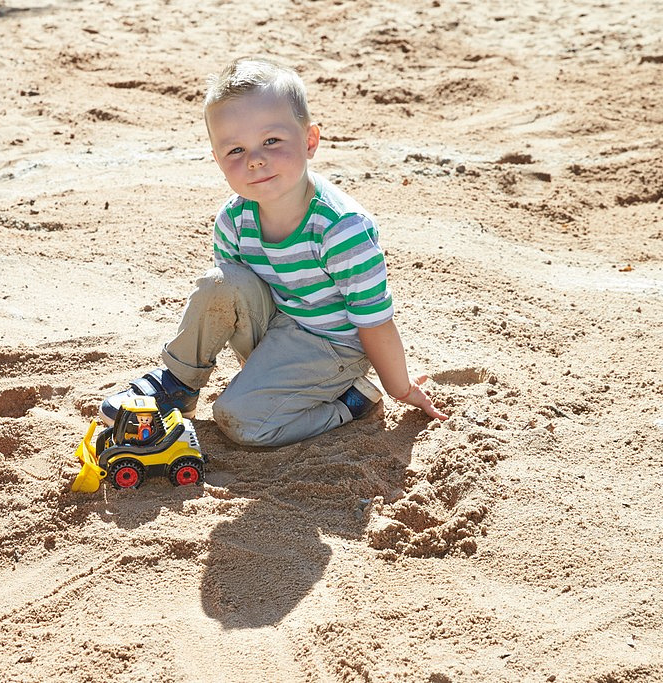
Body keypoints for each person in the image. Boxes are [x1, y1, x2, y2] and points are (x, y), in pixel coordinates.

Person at [100, 56, 448, 447]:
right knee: (220, 283)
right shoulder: (234, 220)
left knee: (241, 421)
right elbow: (230, 308)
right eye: (235, 150)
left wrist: (400, 388)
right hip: (279, 323)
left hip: (333, 346)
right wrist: (258, 373)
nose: (255, 159)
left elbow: (374, 322)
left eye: (271, 141)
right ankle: (178, 386)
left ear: (309, 141)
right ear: (217, 161)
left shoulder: (341, 228)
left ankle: (352, 402)